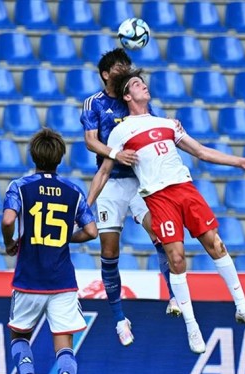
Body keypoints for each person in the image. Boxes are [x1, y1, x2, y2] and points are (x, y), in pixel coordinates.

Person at [88, 69, 245, 354]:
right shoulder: (120, 132)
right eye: (136, 84)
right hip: (158, 197)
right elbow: (103, 173)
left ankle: (243, 308)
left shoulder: (168, 123)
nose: (143, 85)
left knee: (216, 244)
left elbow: (202, 152)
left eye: (143, 82)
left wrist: (239, 162)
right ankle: (191, 324)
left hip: (185, 188)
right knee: (176, 258)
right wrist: (86, 207)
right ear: (127, 96)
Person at [80, 48, 179, 348]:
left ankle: (174, 295)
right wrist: (114, 153)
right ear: (106, 74)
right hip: (110, 181)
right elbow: (90, 141)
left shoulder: (132, 99)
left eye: (127, 64)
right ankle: (120, 319)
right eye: (120, 65)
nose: (126, 68)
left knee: (159, 233)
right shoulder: (94, 103)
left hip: (138, 180)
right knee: (110, 253)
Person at [2, 128, 98, 374]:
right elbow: (92, 231)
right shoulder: (73, 191)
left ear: (33, 156)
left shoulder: (20, 186)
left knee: (19, 337)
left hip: (29, 278)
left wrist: (11, 241)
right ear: (60, 158)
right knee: (64, 344)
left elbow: (8, 220)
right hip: (62, 281)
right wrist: (65, 238)